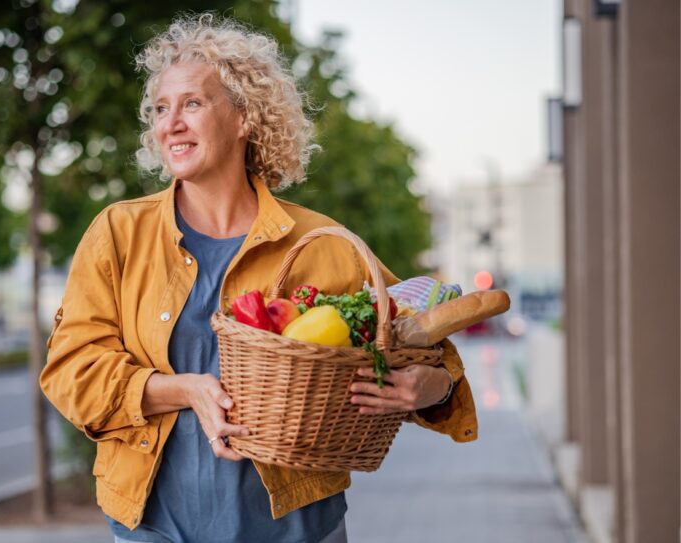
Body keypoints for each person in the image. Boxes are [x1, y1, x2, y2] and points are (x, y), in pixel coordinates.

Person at [40, 14, 477, 543]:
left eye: (192, 104)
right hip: (154, 530)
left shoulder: (319, 243)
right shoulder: (118, 233)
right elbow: (71, 371)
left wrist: (422, 388)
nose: (170, 123)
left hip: (297, 530)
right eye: (160, 108)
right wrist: (185, 390)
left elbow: (430, 357)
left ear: (244, 117)